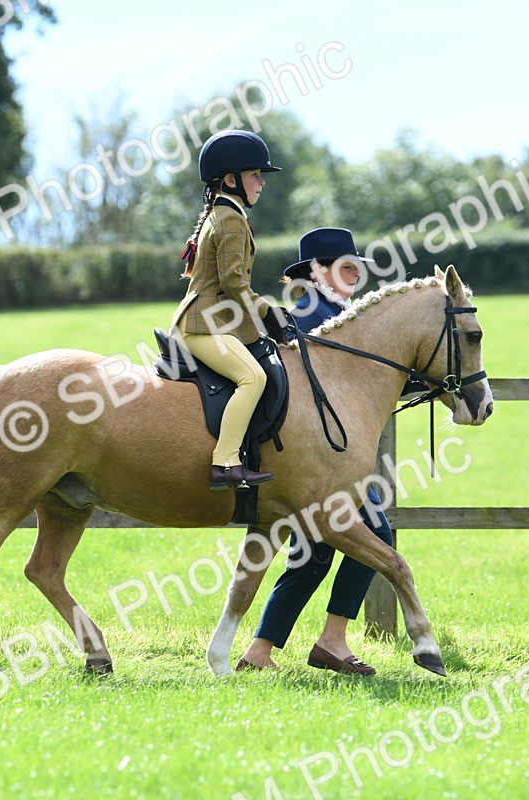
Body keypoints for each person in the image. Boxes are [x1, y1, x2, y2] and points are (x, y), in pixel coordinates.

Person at [236, 227, 398, 675]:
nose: (355, 274)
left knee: (312, 555)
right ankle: (331, 641)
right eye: (346, 267)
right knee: (377, 536)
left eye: (356, 267)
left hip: (325, 457)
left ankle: (260, 652)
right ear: (317, 271)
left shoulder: (338, 312)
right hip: (323, 459)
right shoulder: (311, 314)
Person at [169, 130, 290, 490]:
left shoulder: (222, 214)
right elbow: (234, 282)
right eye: (255, 175)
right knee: (253, 378)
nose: (261, 182)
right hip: (203, 324)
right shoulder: (231, 220)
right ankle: (225, 463)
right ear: (231, 180)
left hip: (212, 321)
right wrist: (268, 313)